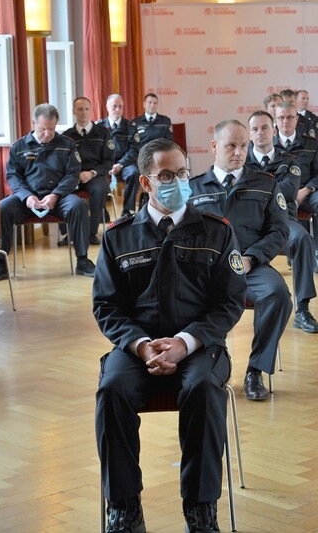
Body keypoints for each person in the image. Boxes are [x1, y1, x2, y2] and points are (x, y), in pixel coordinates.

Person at [93, 138, 247, 533]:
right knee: (111, 391)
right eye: (166, 175)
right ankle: (124, 508)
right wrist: (142, 345)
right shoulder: (118, 236)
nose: (177, 181)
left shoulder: (216, 232)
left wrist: (185, 343)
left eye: (181, 173)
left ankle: (200, 510)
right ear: (146, 183)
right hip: (137, 347)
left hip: (200, 346)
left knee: (202, 389)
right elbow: (106, 307)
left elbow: (230, 302)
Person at [189, 119, 293, 402]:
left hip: (251, 267)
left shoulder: (266, 185)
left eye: (243, 146)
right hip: (208, 272)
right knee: (186, 297)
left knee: (278, 294)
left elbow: (280, 231)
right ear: (214, 147)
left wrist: (251, 258)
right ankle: (208, 366)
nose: (238, 152)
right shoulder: (193, 188)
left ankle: (255, 370)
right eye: (231, 145)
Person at [0, 104, 95, 282]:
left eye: (51, 129)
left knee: (78, 206)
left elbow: (72, 174)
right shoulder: (19, 147)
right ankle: (1, 264)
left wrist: (55, 195)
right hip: (28, 198)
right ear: (34, 123)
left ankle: (82, 260)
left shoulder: (67, 145)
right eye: (43, 129)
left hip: (59, 198)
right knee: (2, 208)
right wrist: (27, 197)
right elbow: (13, 176)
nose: (47, 134)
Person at [246, 110, 318, 334]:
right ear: (249, 134)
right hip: (248, 226)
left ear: (274, 130)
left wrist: (254, 189)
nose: (260, 133)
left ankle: (303, 309)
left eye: (265, 128)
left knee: (302, 239)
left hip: (281, 222)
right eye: (255, 129)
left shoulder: (290, 160)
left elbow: (289, 192)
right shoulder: (242, 162)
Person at [274, 101, 318, 276]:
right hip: (278, 196)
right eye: (281, 118)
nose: (285, 121)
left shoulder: (310, 143)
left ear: (297, 119)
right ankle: (286, 252)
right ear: (276, 120)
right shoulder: (267, 146)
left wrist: (307, 190)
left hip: (306, 193)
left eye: (289, 117)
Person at [61, 96, 114, 244]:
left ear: (91, 111)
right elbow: (62, 162)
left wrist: (91, 173)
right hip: (73, 175)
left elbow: (109, 161)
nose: (83, 113)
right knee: (60, 189)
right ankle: (68, 233)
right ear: (73, 111)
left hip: (95, 175)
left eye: (86, 109)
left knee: (99, 190)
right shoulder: (66, 136)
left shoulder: (103, 133)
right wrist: (74, 174)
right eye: (79, 109)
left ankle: (91, 233)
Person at [120, 93, 174, 215]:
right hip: (140, 160)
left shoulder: (165, 121)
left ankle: (165, 207)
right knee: (133, 174)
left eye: (155, 103)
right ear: (144, 104)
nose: (152, 105)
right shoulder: (134, 122)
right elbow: (132, 145)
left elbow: (169, 142)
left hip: (160, 160)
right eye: (149, 102)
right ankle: (129, 210)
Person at [98, 93, 136, 189]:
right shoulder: (98, 126)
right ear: (107, 107)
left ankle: (129, 204)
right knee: (96, 177)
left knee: (134, 173)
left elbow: (134, 150)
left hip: (124, 163)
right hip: (104, 164)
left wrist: (120, 164)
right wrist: (106, 165)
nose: (118, 110)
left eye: (120, 107)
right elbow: (95, 150)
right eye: (114, 106)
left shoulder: (131, 126)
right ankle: (103, 204)